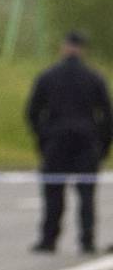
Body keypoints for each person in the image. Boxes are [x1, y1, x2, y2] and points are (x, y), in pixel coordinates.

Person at [25, 31, 112, 255]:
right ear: (83, 49)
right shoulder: (94, 77)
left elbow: (33, 111)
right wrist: (103, 144)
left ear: (63, 48)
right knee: (86, 194)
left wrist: (42, 137)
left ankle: (48, 239)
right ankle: (87, 241)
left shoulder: (48, 76)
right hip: (86, 141)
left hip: (56, 141)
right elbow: (107, 114)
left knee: (53, 192)